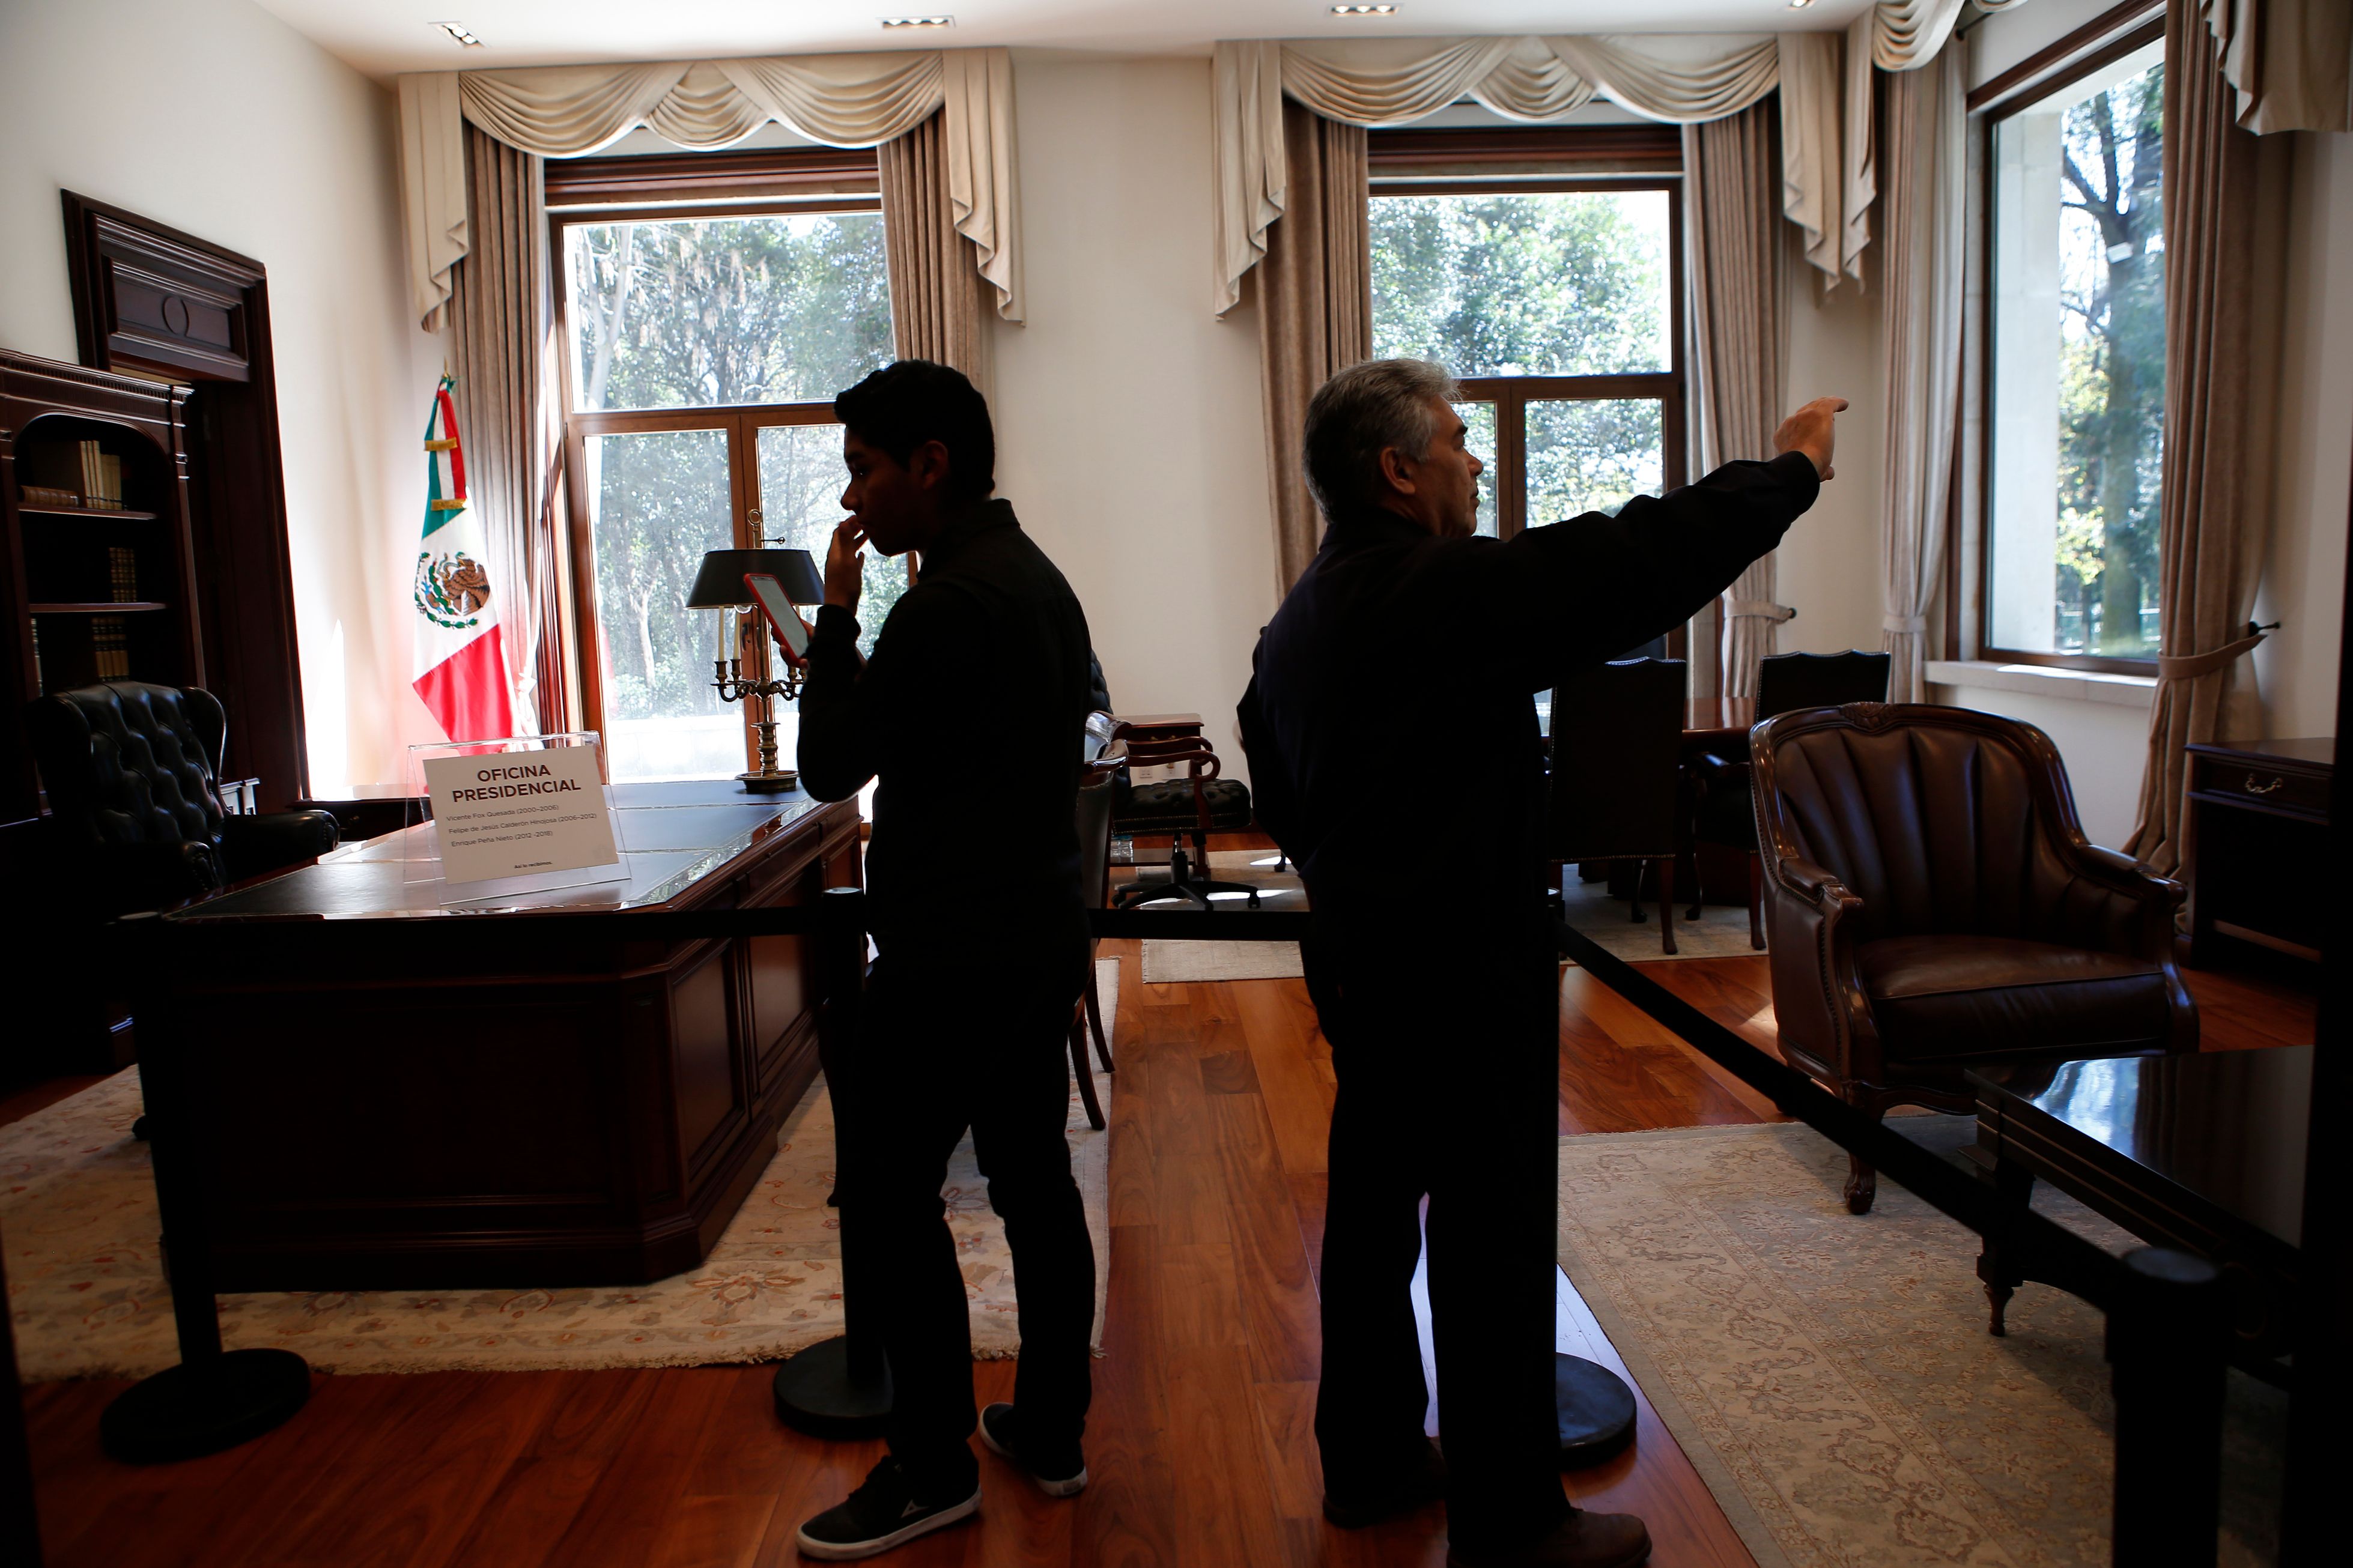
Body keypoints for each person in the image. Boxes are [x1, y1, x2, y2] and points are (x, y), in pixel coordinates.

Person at [1238, 358, 1841, 1568]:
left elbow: (1274, 775)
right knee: (1491, 1233)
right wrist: (1786, 474)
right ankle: (1512, 1524)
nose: (1474, 461)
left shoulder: (1301, 615)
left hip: (1364, 965)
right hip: (1465, 967)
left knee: (1372, 1219)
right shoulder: (1434, 588)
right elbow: (1628, 559)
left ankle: (1369, 1462)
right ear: (1398, 470)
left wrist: (1364, 887)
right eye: (1458, 443)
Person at [788, 360, 1098, 1561]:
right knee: (1033, 1180)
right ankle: (1053, 1433)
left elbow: (828, 767)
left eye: (867, 467)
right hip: (1036, 938)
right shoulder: (1041, 583)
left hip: (945, 958)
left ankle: (929, 1467)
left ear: (932, 463)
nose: (856, 497)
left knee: (884, 1193)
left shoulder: (944, 601)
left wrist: (830, 612)